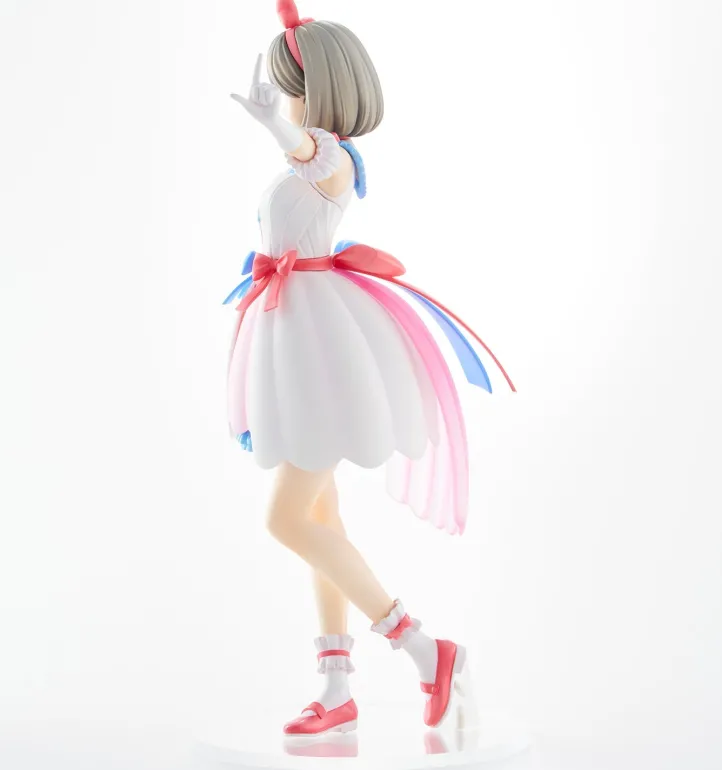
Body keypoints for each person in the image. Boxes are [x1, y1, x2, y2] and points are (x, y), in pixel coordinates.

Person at [223, 0, 514, 737]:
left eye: (289, 83)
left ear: (315, 85)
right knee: (320, 514)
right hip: (292, 333)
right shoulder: (308, 156)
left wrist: (277, 128)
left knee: (287, 517)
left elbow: (312, 159)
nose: (281, 94)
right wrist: (280, 132)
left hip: (319, 344)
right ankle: (335, 685)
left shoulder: (336, 157)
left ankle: (423, 648)